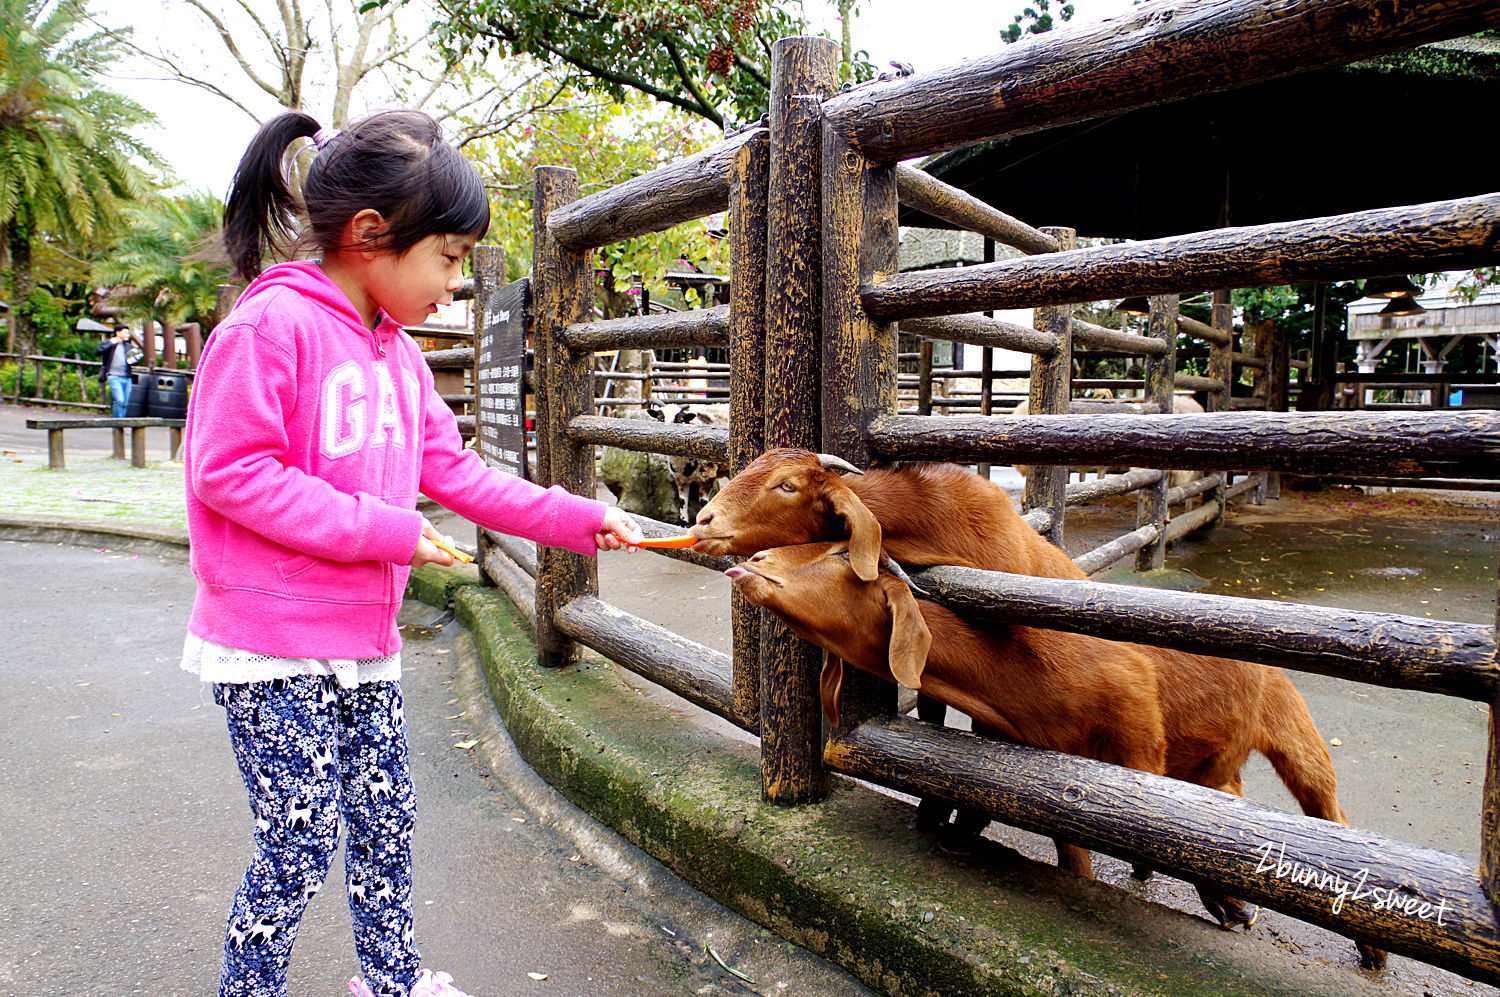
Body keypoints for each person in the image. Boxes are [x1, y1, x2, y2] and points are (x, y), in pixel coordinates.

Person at [182, 108, 645, 997]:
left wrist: (572, 515)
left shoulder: (400, 358)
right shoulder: (268, 328)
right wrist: (383, 528)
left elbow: (459, 472)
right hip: (269, 642)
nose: (453, 283)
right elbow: (229, 471)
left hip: (363, 643)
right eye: (450, 257)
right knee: (302, 830)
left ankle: (391, 982)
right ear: (369, 236)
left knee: (387, 816)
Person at [96, 327, 138, 417]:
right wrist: (110, 343)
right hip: (114, 376)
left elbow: (135, 361)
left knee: (125, 403)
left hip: (127, 377)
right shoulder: (109, 343)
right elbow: (98, 351)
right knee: (119, 400)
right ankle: (117, 422)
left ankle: (121, 423)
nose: (128, 335)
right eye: (125, 333)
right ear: (118, 333)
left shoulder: (129, 346)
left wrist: (134, 358)